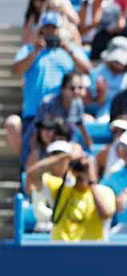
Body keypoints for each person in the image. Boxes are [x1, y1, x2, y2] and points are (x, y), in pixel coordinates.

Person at [11, 11, 91, 164]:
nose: (49, 32)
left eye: (53, 29)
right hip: (34, 113)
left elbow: (87, 70)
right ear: (40, 30)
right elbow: (16, 70)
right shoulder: (29, 50)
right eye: (46, 29)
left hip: (62, 114)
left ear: (59, 30)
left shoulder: (69, 50)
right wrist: (35, 51)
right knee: (32, 150)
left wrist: (68, 49)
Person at [25, 146, 116, 241]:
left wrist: (91, 181)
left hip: (89, 251)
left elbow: (106, 214)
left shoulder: (104, 191)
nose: (82, 172)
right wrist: (66, 157)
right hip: (61, 250)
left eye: (85, 168)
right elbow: (33, 174)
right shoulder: (61, 188)